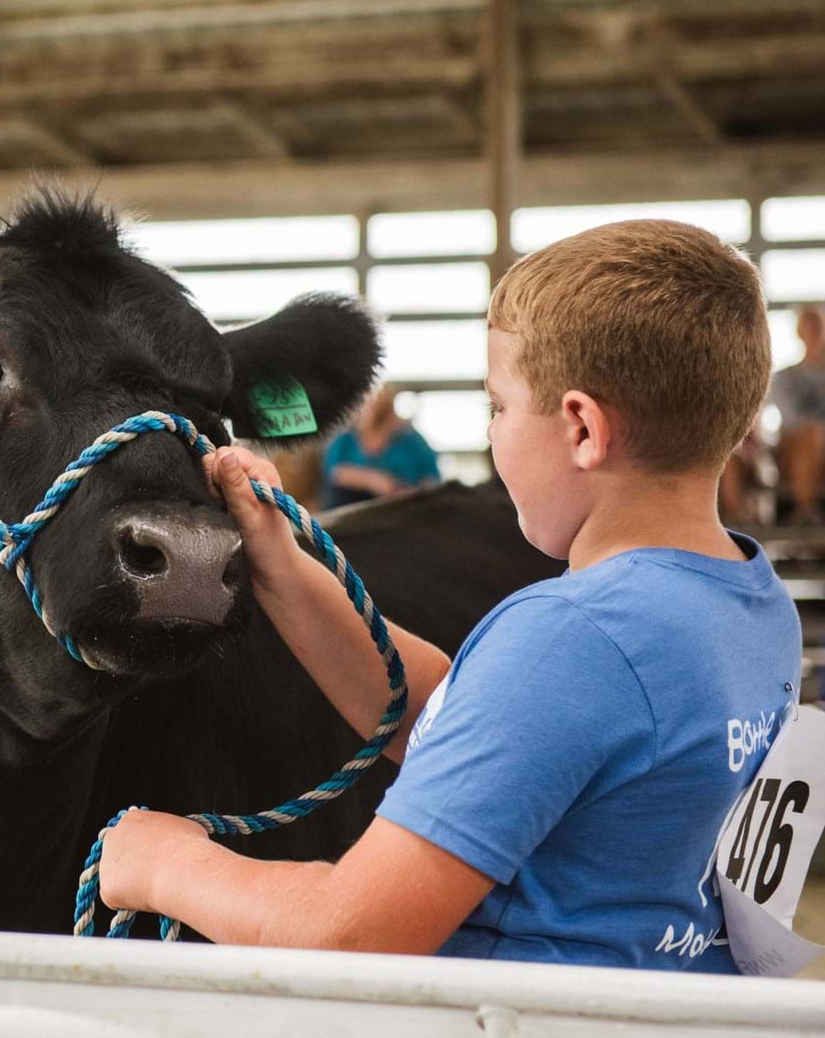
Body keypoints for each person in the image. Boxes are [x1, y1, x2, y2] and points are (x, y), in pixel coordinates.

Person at [97, 220, 801, 972]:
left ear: (582, 428)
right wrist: (284, 564)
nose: (493, 432)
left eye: (498, 406)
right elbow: (474, 724)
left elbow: (354, 932)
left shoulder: (571, 639)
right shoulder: (753, 603)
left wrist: (165, 866)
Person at [320, 385, 439, 509]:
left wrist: (409, 492)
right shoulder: (345, 439)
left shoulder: (411, 440)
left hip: (401, 507)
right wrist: (375, 481)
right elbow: (335, 473)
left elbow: (431, 479)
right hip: (351, 509)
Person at [768, 305, 825, 524]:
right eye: (808, 328)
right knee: (811, 436)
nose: (814, 334)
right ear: (800, 333)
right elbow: (792, 421)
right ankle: (806, 512)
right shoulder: (783, 378)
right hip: (794, 451)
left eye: (818, 327)